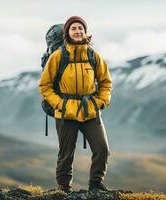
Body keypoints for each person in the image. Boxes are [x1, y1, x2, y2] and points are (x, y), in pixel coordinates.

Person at [39, 16, 112, 193]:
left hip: (90, 111)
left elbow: (105, 83)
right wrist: (60, 105)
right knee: (66, 154)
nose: (78, 31)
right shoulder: (58, 56)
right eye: (73, 28)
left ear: (85, 31)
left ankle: (96, 184)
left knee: (102, 149)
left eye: (81, 28)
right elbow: (45, 86)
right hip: (65, 112)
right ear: (67, 33)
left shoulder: (93, 56)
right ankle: (63, 188)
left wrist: (99, 103)